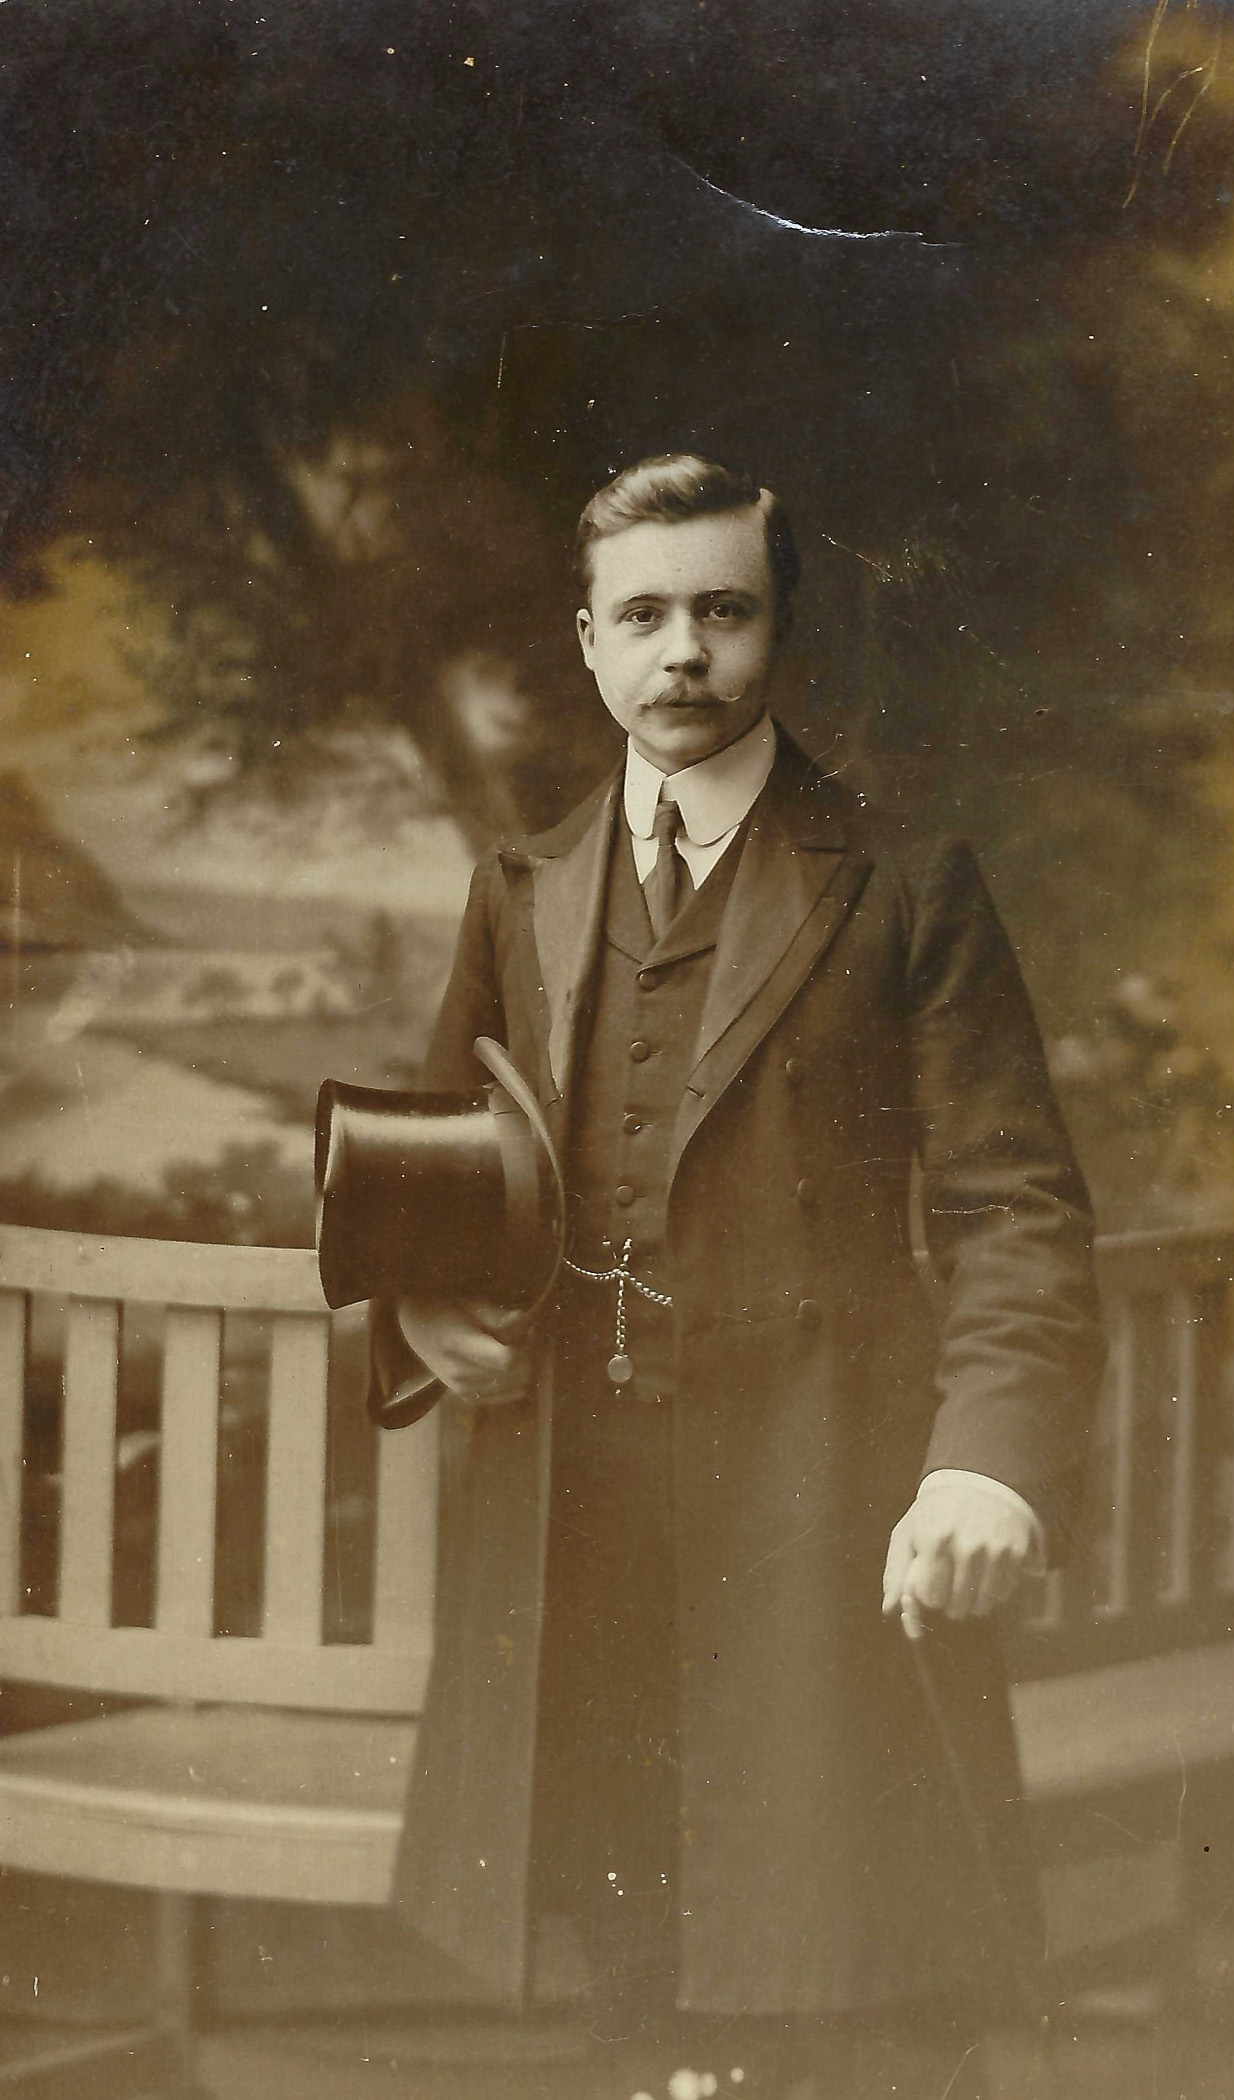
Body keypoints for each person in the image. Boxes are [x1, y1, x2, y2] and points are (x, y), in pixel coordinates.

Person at [369, 454, 1104, 2099]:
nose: (684, 653)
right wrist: (429, 1312)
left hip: (816, 1500)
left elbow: (1016, 1209)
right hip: (579, 1506)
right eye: (642, 616)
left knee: (850, 1976)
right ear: (588, 641)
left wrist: (984, 1462)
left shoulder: (902, 880)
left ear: (778, 628)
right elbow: (434, 1189)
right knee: (630, 1954)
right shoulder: (523, 886)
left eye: (723, 611)